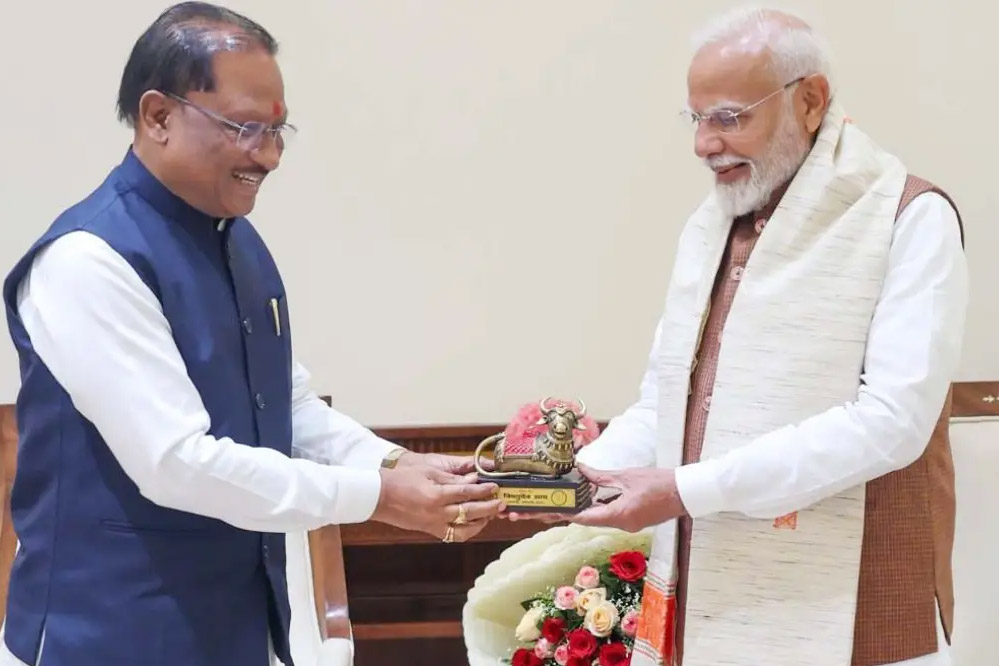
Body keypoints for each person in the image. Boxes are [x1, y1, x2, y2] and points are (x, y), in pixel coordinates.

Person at [0, 3, 503, 666]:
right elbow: (177, 464)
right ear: (158, 116)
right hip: (107, 632)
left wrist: (392, 463)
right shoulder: (87, 261)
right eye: (244, 128)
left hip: (233, 624)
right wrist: (380, 497)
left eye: (276, 129)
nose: (268, 156)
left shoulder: (237, 242)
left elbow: (284, 407)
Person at [511, 7, 967, 666]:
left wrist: (688, 490)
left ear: (809, 101)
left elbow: (892, 423)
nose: (703, 144)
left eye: (728, 118)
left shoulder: (910, 217)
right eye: (696, 119)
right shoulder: (711, 226)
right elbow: (665, 404)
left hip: (857, 608)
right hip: (712, 595)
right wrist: (574, 480)